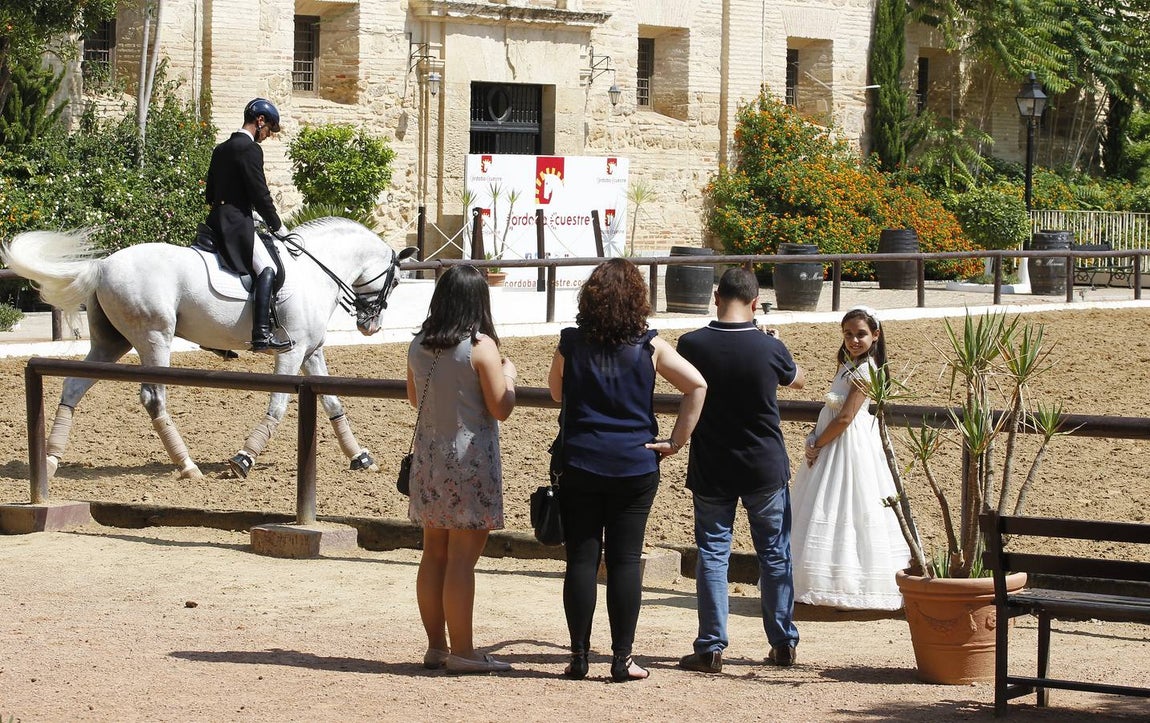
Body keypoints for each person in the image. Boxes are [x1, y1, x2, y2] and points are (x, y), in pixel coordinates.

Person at [548, 257, 707, 683]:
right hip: (634, 464)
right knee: (623, 561)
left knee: (580, 560)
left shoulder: (570, 342)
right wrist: (675, 441)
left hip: (580, 460)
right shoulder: (651, 347)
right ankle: (622, 659)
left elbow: (555, 392)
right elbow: (697, 385)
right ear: (638, 299)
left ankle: (578, 657)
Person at [674, 267, 807, 674]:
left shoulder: (692, 344)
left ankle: (711, 646)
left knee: (714, 553)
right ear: (755, 303)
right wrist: (778, 344)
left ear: (716, 296)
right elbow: (798, 380)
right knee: (774, 554)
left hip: (713, 463)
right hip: (764, 464)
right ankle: (782, 641)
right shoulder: (769, 348)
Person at [406, 265, 518, 674]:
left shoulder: (419, 343)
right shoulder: (480, 346)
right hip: (470, 459)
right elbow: (501, 408)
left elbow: (413, 396)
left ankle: (436, 646)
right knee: (462, 560)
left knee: (433, 552)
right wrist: (509, 374)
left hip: (429, 457)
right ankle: (465, 650)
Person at [790, 306, 911, 610]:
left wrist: (817, 442)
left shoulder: (865, 370)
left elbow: (845, 417)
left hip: (848, 444)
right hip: (836, 442)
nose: (854, 340)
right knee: (830, 504)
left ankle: (847, 586)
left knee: (849, 504)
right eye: (849, 334)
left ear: (875, 336)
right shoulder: (847, 364)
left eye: (861, 334)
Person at [204, 97, 292, 354]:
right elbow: (259, 194)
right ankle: (261, 335)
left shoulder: (221, 148)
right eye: (268, 130)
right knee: (267, 268)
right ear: (260, 120)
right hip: (235, 223)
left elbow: (210, 193)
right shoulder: (250, 149)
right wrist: (277, 226)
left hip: (215, 220)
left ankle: (214, 338)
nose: (266, 136)